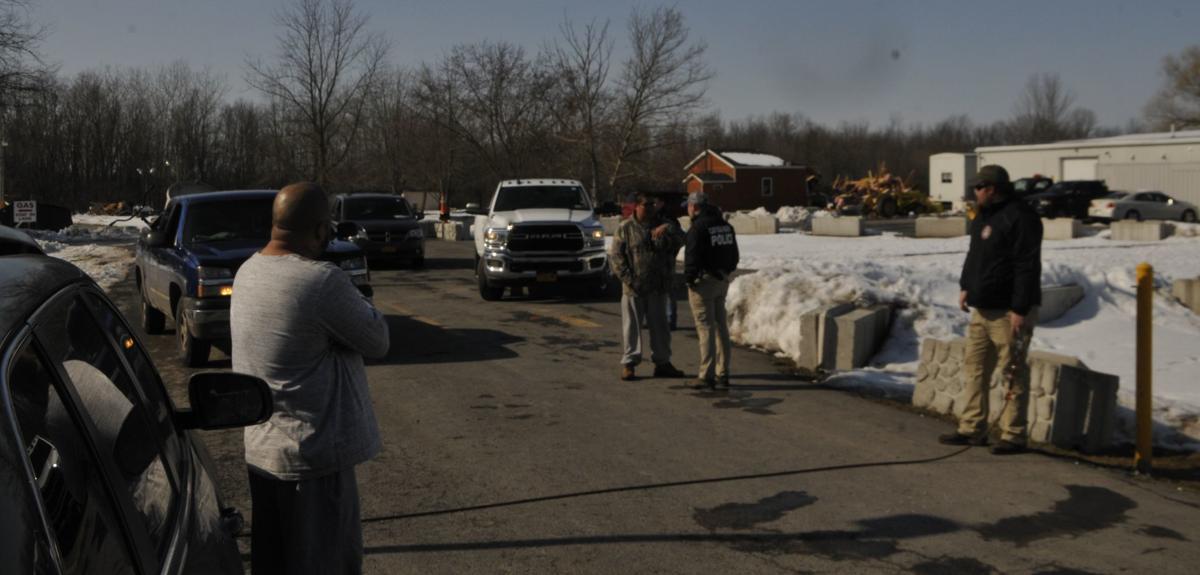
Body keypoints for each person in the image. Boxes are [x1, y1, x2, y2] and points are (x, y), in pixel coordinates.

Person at [231, 182, 390, 575]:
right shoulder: (319, 280)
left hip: (265, 455)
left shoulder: (248, 271)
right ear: (320, 230)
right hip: (313, 461)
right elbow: (377, 339)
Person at [940, 165, 1042, 455]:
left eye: (978, 188)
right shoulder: (984, 215)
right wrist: (966, 286)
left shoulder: (1021, 217)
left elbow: (1027, 265)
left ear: (992, 189)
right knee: (975, 368)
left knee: (1011, 372)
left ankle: (1014, 434)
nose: (974, 193)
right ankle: (972, 428)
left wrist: (1020, 308)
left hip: (1009, 310)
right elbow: (976, 256)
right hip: (982, 307)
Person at [610, 191, 687, 381]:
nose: (651, 208)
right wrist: (630, 280)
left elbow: (683, 239)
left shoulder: (663, 224)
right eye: (647, 205)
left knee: (660, 328)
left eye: (653, 205)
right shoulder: (625, 228)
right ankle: (629, 364)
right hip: (634, 288)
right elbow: (617, 258)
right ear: (636, 206)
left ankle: (662, 363)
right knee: (632, 327)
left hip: (658, 287)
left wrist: (667, 228)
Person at [683, 191, 739, 391]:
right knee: (720, 327)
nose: (687, 210)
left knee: (705, 328)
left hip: (703, 282)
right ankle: (723, 373)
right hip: (722, 280)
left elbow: (691, 257)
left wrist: (689, 279)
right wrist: (725, 272)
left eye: (688, 206)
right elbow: (735, 256)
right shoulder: (725, 226)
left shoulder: (697, 228)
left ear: (694, 207)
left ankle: (706, 375)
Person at [653, 195, 684, 330]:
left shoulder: (669, 218)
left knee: (668, 291)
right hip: (653, 260)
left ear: (661, 203)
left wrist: (666, 227)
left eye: (655, 203)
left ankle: (670, 319)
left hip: (666, 259)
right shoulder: (652, 218)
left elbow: (681, 237)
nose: (653, 206)